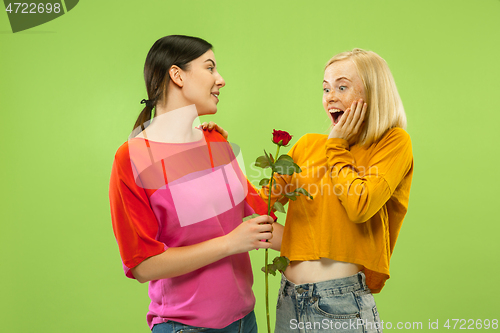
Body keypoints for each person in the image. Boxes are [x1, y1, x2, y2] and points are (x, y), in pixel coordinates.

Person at [108, 35, 278, 333]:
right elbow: (143, 264)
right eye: (210, 68)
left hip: (245, 323)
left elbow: (258, 216)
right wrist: (229, 244)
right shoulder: (133, 158)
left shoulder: (216, 142)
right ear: (177, 75)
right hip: (184, 328)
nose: (221, 79)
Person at [255, 48, 413, 332]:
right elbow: (257, 204)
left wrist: (337, 145)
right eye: (326, 88)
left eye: (342, 87)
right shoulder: (307, 146)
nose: (330, 96)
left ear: (374, 95)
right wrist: (212, 151)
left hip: (341, 307)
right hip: (289, 300)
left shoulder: (392, 143)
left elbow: (359, 206)